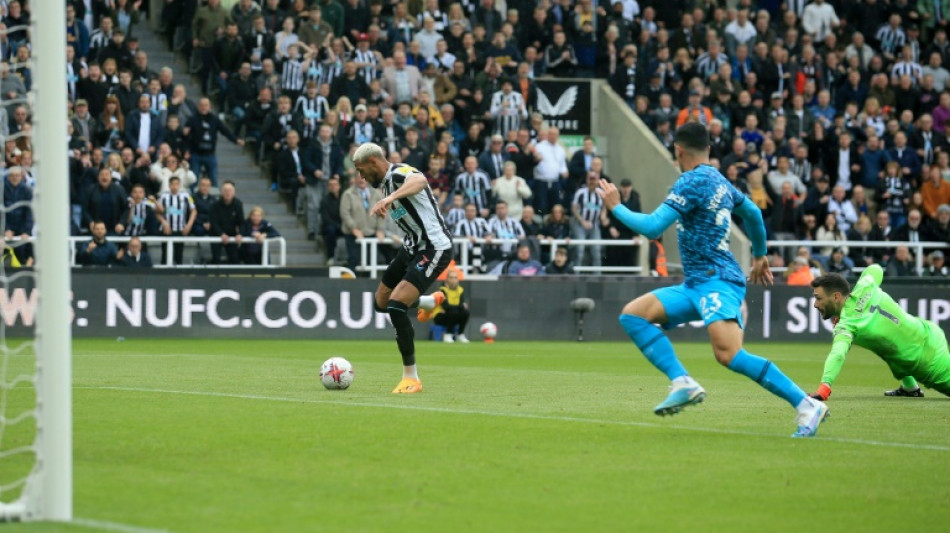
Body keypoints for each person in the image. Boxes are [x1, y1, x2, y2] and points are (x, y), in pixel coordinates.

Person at [598, 122, 828, 437]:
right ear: (708, 149)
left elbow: (652, 228)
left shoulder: (690, 181)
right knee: (634, 315)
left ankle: (806, 405)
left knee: (729, 354)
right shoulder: (719, 180)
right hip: (695, 284)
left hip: (718, 280)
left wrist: (616, 207)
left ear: (678, 150)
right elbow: (754, 214)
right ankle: (682, 381)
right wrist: (760, 254)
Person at [351, 143, 453, 394]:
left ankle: (411, 378)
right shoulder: (384, 184)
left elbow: (420, 180)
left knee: (396, 305)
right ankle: (429, 303)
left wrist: (390, 198)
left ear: (374, 162)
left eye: (361, 171)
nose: (360, 177)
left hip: (434, 248)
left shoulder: (398, 174)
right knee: (381, 302)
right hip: (411, 248)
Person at [808, 268, 950, 400]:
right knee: (887, 347)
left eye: (818, 298)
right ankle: (910, 387)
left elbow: (838, 354)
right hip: (930, 331)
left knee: (889, 348)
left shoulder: (847, 326)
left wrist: (824, 389)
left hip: (929, 363)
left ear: (836, 297)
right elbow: (876, 268)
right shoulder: (866, 285)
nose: (815, 304)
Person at [210, 181, 245, 264]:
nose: (227, 193)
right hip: (216, 234)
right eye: (225, 190)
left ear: (234, 192)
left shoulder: (238, 204)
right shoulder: (215, 205)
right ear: (221, 192)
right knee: (216, 259)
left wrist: (240, 234)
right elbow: (214, 223)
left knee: (235, 259)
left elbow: (241, 222)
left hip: (231, 234)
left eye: (230, 190)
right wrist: (221, 234)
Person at [432, 270, 470, 343]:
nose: (453, 280)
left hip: (454, 315)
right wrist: (460, 307)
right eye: (451, 277)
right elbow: (446, 306)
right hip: (440, 316)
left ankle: (460, 334)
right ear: (447, 279)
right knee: (453, 312)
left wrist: (460, 307)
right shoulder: (442, 290)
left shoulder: (460, 290)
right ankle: (448, 334)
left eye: (455, 278)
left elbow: (461, 305)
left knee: (465, 312)